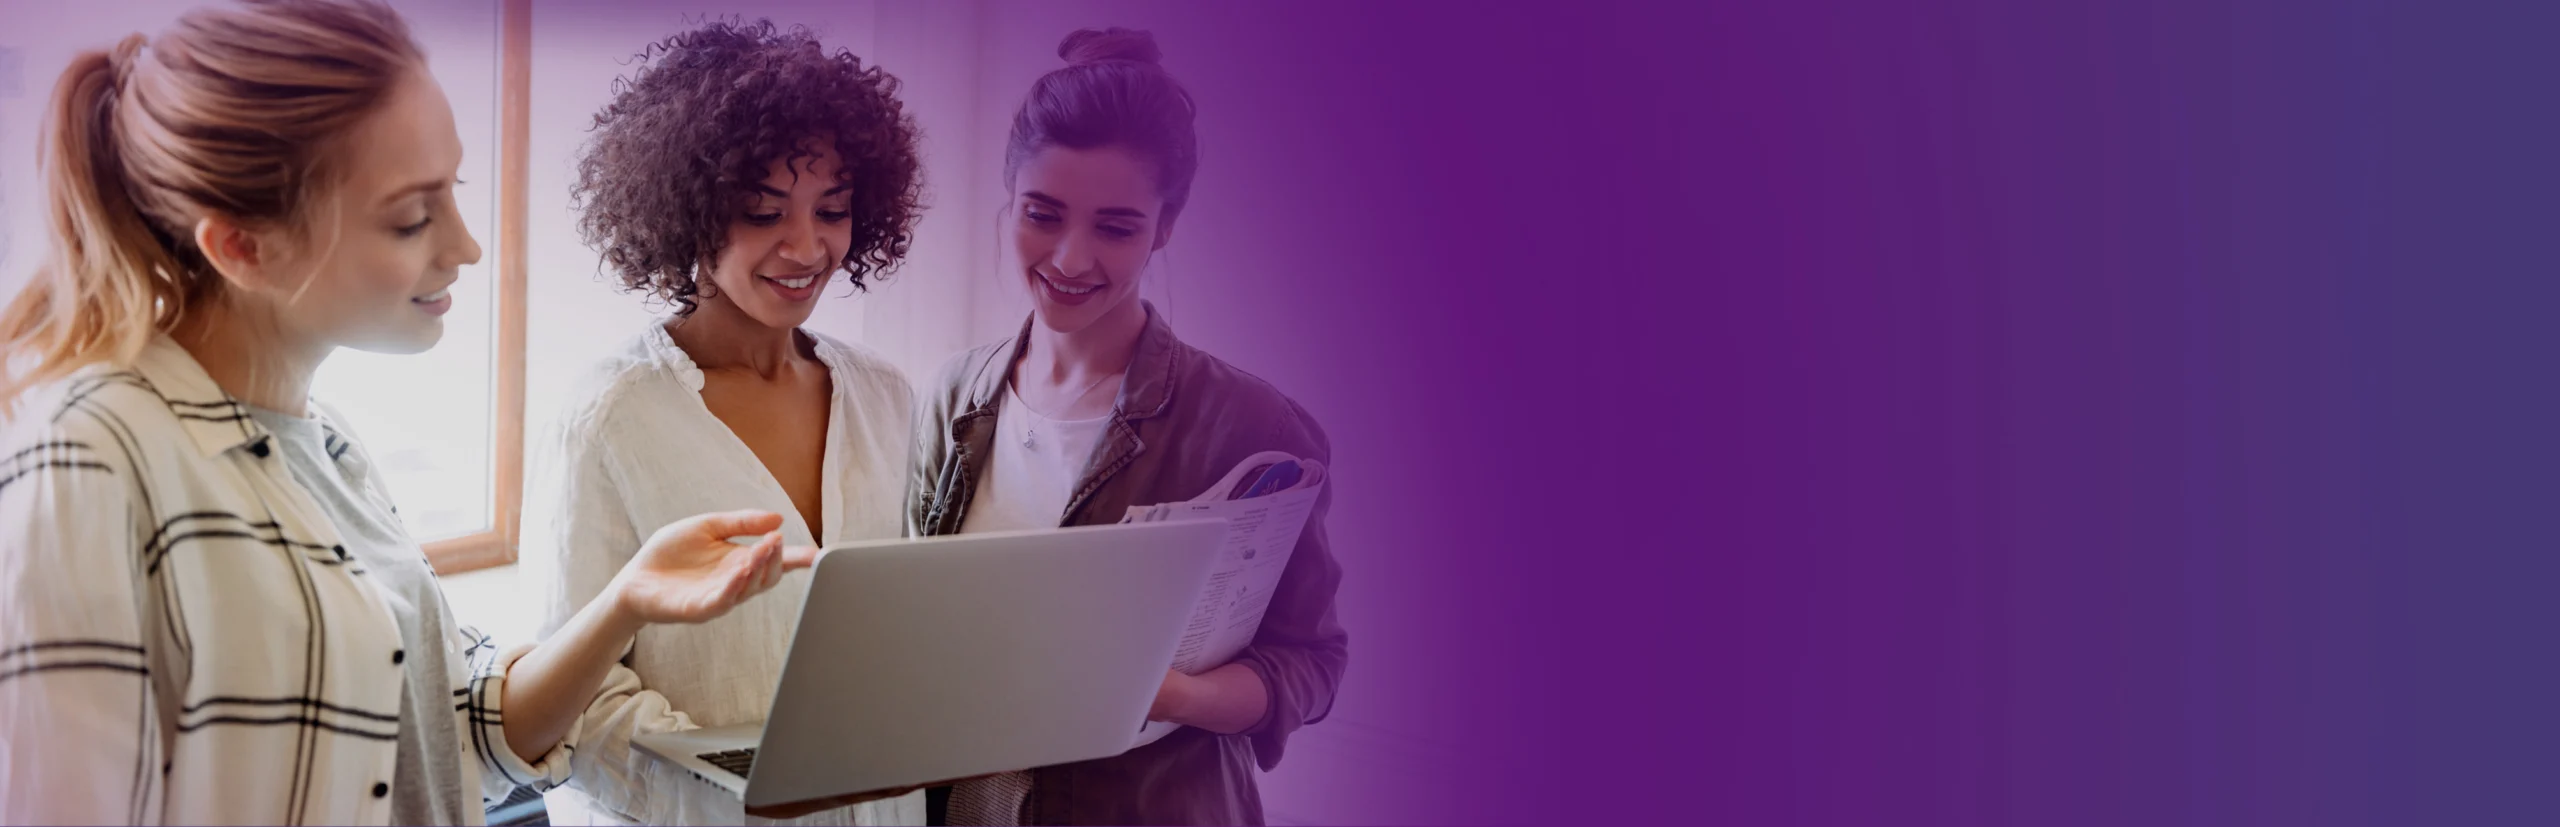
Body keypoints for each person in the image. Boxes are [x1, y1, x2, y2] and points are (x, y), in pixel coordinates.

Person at [0, 2, 810, 823]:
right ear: (242, 246)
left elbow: (451, 732)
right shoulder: (89, 457)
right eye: (413, 217)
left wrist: (625, 602)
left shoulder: (325, 443)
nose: (465, 246)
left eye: (452, 194)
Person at [905, 28, 1348, 827]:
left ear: (1166, 225)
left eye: (1116, 228)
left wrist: (1174, 693)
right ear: (1009, 197)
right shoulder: (954, 395)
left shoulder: (1253, 424)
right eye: (1043, 215)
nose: (1070, 260)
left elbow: (1311, 661)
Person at [516, 19, 926, 827]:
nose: (806, 246)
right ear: (691, 213)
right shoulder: (611, 416)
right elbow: (576, 699)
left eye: (832, 209)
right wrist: (754, 783)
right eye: (764, 211)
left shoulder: (884, 396)